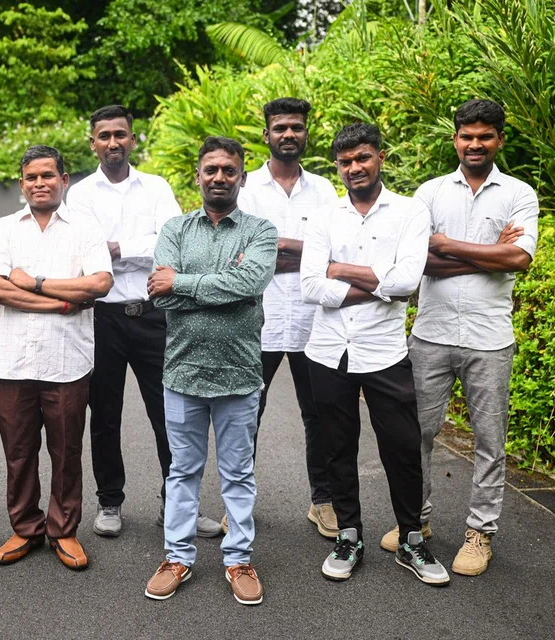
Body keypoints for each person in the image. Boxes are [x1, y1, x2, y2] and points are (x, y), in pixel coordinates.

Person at [378, 99, 538, 576]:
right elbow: (418, 259)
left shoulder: (519, 194)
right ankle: (417, 522)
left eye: (484, 136)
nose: (475, 144)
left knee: (490, 440)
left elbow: (520, 259)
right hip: (431, 334)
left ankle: (479, 534)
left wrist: (448, 245)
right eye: (466, 136)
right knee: (417, 434)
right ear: (455, 139)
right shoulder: (428, 194)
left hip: (490, 338)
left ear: (499, 140)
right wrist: (489, 252)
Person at [300, 123, 450, 586]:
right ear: (337, 167)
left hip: (384, 352)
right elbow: (310, 285)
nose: (354, 168)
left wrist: (340, 270)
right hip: (328, 352)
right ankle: (350, 535)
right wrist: (379, 285)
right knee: (337, 448)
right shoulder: (324, 215)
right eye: (345, 162)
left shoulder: (409, 211)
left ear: (380, 158)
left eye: (362, 158)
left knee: (402, 448)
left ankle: (411, 539)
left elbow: (408, 281)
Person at [66, 105, 222, 538]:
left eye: (120, 134)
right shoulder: (79, 195)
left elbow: (172, 244)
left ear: (133, 140)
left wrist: (115, 249)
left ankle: (177, 505)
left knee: (171, 414)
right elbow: (83, 252)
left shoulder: (155, 188)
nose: (113, 142)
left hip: (155, 314)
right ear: (93, 141)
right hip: (101, 317)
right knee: (105, 415)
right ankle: (110, 502)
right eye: (104, 136)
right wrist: (130, 249)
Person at [143, 137, 277, 606]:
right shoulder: (175, 229)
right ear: (198, 175)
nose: (219, 177)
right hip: (182, 374)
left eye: (228, 170)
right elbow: (161, 295)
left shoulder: (260, 231)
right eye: (211, 169)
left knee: (238, 474)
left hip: (240, 374)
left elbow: (251, 282)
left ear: (241, 176)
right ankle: (177, 557)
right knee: (183, 472)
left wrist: (183, 282)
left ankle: (238, 559)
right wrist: (219, 288)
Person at [0, 145, 113, 570]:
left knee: (67, 450)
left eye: (48, 176)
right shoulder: (3, 229)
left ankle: (63, 530)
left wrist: (33, 282)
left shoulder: (85, 228)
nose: (40, 183)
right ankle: (25, 527)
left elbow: (99, 284)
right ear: (22, 185)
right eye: (32, 177)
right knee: (18, 453)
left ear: (64, 180)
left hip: (66, 363)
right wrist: (58, 300)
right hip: (12, 362)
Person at [236, 97, 340, 539]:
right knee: (244, 415)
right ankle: (238, 505)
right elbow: (238, 255)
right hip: (253, 322)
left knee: (319, 416)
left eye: (296, 127)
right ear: (266, 134)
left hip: (311, 322)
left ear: (306, 133)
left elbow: (334, 252)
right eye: (280, 128)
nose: (289, 135)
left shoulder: (325, 192)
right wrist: (306, 252)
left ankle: (324, 502)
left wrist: (274, 249)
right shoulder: (244, 189)